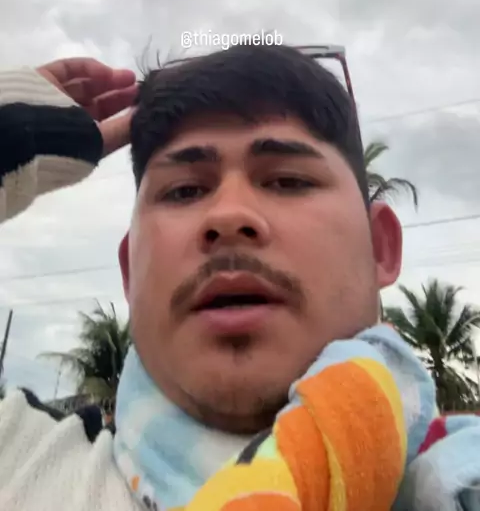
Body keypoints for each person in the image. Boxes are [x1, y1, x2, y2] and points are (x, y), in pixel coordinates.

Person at [0, 45, 478, 511]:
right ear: (129, 270)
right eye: (185, 190)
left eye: (288, 181)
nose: (228, 216)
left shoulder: (460, 482)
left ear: (380, 247)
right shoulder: (20, 463)